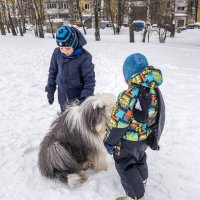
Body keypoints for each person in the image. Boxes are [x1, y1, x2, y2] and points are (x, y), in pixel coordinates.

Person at [104, 53, 165, 200]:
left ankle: (136, 195)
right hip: (144, 137)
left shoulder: (128, 95)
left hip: (127, 141)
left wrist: (110, 141)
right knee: (139, 158)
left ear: (128, 77)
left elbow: (118, 122)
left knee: (125, 165)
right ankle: (142, 180)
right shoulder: (154, 92)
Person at [45, 25, 95, 112]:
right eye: (61, 48)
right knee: (64, 120)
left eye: (67, 48)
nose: (64, 52)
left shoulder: (85, 57)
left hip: (78, 97)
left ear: (74, 43)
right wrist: (51, 88)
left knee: (76, 124)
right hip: (62, 95)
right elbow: (53, 71)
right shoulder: (57, 53)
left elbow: (89, 81)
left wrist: (84, 99)